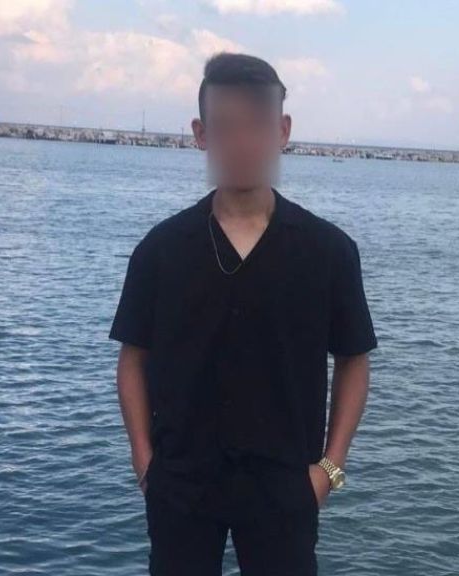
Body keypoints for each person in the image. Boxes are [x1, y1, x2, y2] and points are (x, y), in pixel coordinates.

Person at [109, 52, 378, 576]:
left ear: (283, 130)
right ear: (200, 134)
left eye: (256, 125)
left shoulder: (327, 250)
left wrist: (329, 469)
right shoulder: (161, 249)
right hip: (181, 484)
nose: (242, 141)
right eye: (226, 126)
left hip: (285, 485)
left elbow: (354, 360)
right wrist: (144, 462)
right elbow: (132, 359)